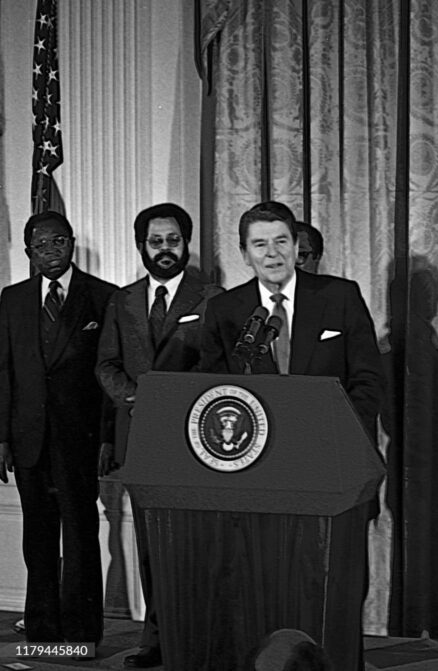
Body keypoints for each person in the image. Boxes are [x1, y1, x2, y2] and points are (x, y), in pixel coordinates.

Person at [199, 201, 383, 669]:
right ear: (245, 253)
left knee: (333, 588)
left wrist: (334, 438)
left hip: (333, 471)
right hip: (256, 480)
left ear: (297, 245)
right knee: (262, 587)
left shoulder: (339, 296)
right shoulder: (226, 310)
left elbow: (368, 381)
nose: (273, 253)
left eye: (281, 241)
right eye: (260, 244)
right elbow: (213, 392)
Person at [95, 203, 223, 668]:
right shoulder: (123, 300)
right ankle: (156, 637)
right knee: (150, 543)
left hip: (195, 439)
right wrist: (138, 398)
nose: (164, 249)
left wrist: (176, 402)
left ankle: (200, 636)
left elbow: (220, 365)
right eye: (155, 242)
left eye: (173, 240)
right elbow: (106, 365)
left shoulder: (212, 297)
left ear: (185, 244)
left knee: (194, 545)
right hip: (141, 438)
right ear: (141, 246)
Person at [0, 211, 116, 647]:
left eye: (58, 241)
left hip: (80, 441)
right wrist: (2, 437)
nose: (50, 251)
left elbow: (109, 374)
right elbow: (4, 371)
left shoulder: (103, 297)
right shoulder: (12, 299)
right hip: (29, 438)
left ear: (72, 244)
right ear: (28, 252)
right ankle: (43, 630)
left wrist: (108, 437)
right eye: (41, 245)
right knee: (38, 537)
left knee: (82, 536)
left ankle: (82, 634)